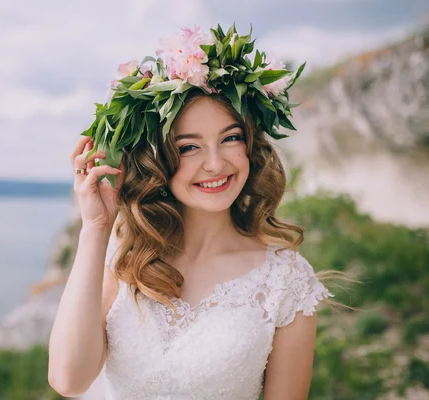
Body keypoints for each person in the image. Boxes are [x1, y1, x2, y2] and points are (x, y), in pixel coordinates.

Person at [48, 24, 340, 400]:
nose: (216, 164)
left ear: (250, 145)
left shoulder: (286, 281)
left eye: (230, 138)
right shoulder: (123, 255)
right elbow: (69, 379)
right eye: (188, 148)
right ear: (158, 160)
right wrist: (96, 227)